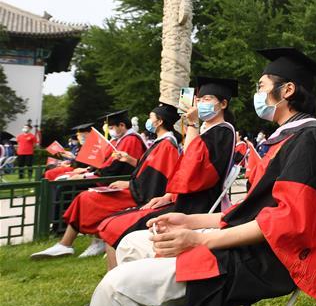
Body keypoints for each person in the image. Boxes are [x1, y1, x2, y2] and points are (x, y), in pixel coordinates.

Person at [63, 47, 316, 306]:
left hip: (274, 260)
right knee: (134, 244)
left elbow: (286, 223)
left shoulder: (312, 138)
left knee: (117, 287)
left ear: (287, 90)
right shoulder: (288, 139)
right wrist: (190, 222)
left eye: (262, 85)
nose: (259, 93)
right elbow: (255, 213)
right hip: (255, 246)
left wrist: (199, 238)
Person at [97, 78, 238, 250]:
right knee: (114, 222)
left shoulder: (222, 132)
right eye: (198, 100)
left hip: (197, 206)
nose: (200, 104)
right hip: (184, 199)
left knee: (116, 226)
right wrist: (168, 195)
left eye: (206, 99)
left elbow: (192, 171)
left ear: (223, 104)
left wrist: (192, 124)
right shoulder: (207, 131)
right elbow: (187, 168)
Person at [31, 105, 182, 261]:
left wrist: (129, 184)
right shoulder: (161, 142)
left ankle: (68, 243)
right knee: (87, 197)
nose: (148, 121)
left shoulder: (166, 144)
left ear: (159, 121)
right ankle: (67, 243)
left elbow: (157, 177)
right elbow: (149, 170)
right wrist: (129, 160)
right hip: (137, 188)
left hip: (142, 194)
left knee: (88, 198)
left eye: (151, 117)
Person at [65, 111, 148, 180]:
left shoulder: (130, 140)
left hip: (119, 180)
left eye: (111, 128)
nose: (109, 131)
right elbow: (107, 161)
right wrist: (88, 171)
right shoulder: (121, 139)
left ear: (122, 125)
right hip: (109, 176)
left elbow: (116, 167)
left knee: (67, 187)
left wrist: (86, 176)